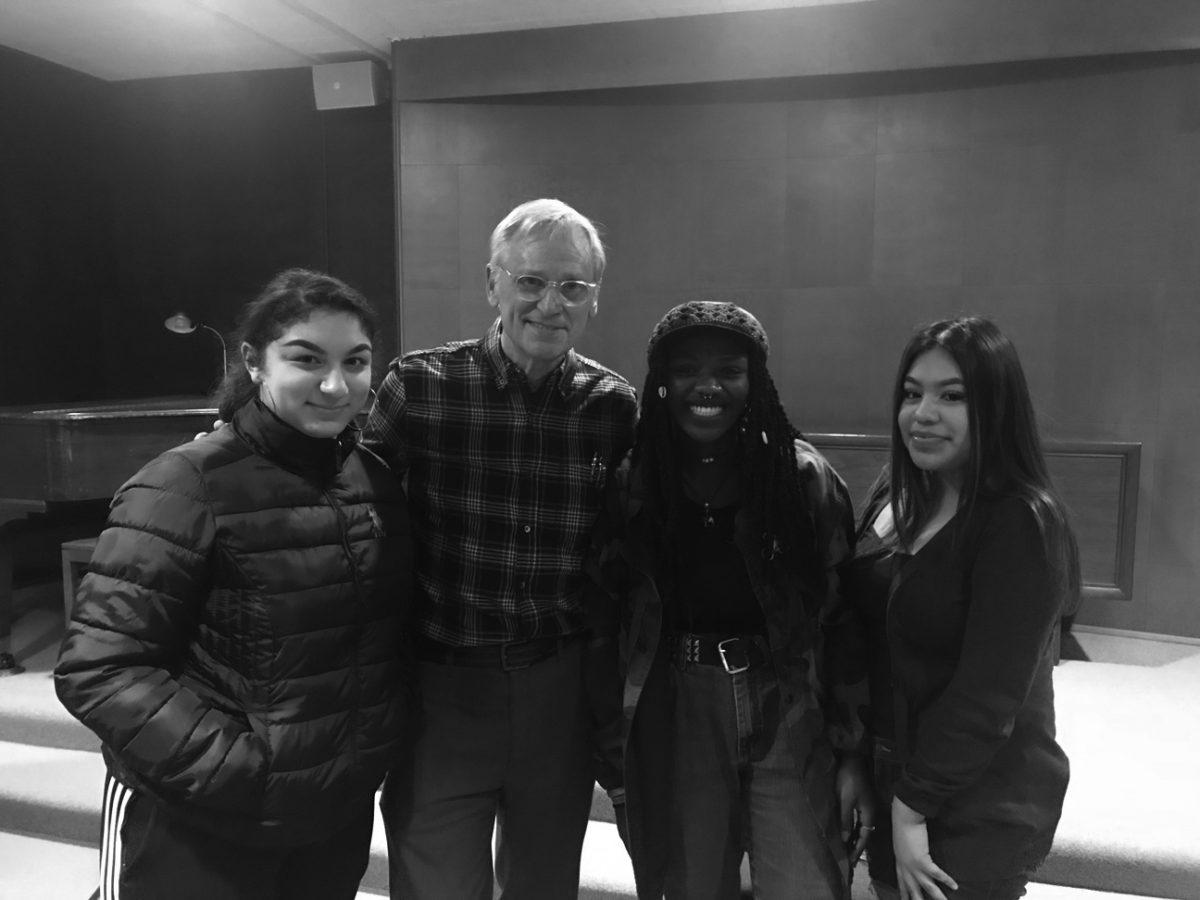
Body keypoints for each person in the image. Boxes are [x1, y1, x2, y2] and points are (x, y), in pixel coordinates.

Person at [55, 268, 414, 900]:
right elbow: (101, 668)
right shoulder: (184, 482)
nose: (336, 385)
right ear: (254, 362)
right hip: (200, 822)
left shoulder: (375, 481)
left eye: (355, 362)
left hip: (330, 816)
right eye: (307, 359)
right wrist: (235, 768)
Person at [366, 198, 638, 899]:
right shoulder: (418, 387)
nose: (551, 303)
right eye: (531, 281)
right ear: (493, 284)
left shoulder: (615, 408)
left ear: (594, 299)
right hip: (440, 690)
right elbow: (349, 517)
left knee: (545, 886)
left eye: (572, 286)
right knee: (436, 887)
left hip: (559, 690)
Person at [586, 300, 874, 899]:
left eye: (728, 370)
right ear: (661, 382)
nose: (707, 386)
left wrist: (852, 752)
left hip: (787, 698)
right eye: (687, 369)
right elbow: (607, 618)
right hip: (678, 700)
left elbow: (842, 619)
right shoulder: (634, 481)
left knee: (807, 882)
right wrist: (615, 750)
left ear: (755, 381)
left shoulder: (802, 480)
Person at [844, 316, 1079, 900]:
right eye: (912, 392)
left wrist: (912, 808)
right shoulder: (897, 489)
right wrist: (854, 758)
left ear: (996, 408)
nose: (923, 413)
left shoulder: (1019, 521)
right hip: (893, 775)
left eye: (952, 396)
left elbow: (989, 696)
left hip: (976, 800)